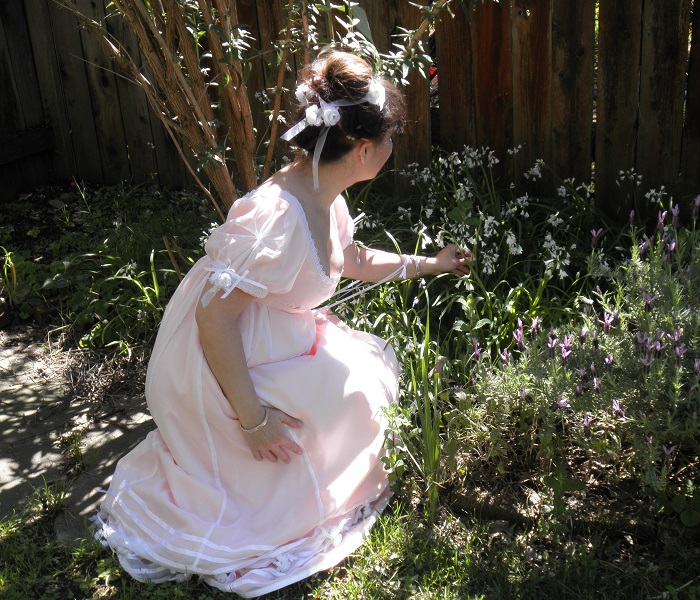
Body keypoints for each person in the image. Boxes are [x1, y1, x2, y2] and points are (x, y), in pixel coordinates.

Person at [93, 49, 472, 597]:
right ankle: (241, 453)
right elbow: (213, 314)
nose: (393, 149)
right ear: (364, 149)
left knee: (354, 397)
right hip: (220, 357)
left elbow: (354, 258)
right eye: (389, 140)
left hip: (268, 334)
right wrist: (252, 418)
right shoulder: (280, 219)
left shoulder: (321, 188)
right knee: (291, 453)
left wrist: (429, 263)